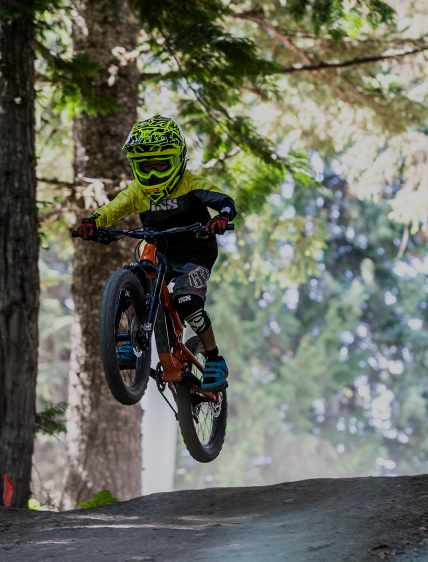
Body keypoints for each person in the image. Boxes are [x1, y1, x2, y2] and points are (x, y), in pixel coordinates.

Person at [77, 113, 236, 392]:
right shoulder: (139, 190)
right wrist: (93, 222)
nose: (151, 174)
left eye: (160, 165)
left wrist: (221, 218)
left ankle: (214, 359)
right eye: (145, 166)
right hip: (160, 250)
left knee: (187, 301)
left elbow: (224, 201)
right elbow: (113, 208)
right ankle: (126, 343)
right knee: (132, 279)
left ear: (177, 160)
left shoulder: (191, 183)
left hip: (194, 254)